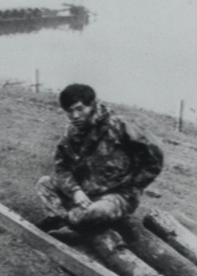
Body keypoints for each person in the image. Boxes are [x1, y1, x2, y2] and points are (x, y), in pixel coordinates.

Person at [36, 84, 163, 235]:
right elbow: (61, 167)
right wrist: (76, 191)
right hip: (84, 193)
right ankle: (72, 222)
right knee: (44, 184)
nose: (75, 116)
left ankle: (66, 222)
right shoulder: (71, 133)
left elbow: (155, 157)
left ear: (92, 105)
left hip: (116, 197)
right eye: (69, 111)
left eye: (80, 109)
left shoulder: (120, 126)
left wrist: (133, 186)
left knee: (98, 211)